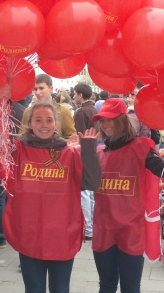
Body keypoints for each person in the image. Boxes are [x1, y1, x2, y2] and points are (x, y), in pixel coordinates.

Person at [1, 101, 100, 293]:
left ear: (56, 123)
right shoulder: (17, 151)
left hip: (61, 235)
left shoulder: (69, 153)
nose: (44, 125)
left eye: (49, 120)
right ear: (30, 123)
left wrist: (89, 150)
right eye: (38, 120)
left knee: (60, 288)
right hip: (29, 235)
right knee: (33, 289)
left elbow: (92, 183)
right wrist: (3, 102)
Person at [92, 98, 164, 293]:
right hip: (103, 230)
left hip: (131, 231)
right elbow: (84, 182)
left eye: (110, 119)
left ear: (122, 120)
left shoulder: (140, 148)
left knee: (130, 288)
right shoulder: (99, 152)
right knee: (106, 286)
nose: (105, 124)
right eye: (102, 120)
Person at [73, 82, 98, 241]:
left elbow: (79, 135)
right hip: (95, 150)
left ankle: (88, 228)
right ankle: (92, 226)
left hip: (83, 152)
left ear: (81, 95)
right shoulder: (94, 109)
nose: (74, 97)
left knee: (84, 191)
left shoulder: (81, 112)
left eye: (75, 94)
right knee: (91, 192)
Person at [22, 74, 76, 139]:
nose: (38, 92)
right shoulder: (28, 112)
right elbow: (23, 136)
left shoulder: (63, 112)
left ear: (51, 88)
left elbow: (72, 138)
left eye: (41, 88)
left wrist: (58, 144)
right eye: (35, 89)